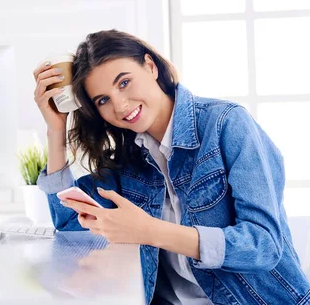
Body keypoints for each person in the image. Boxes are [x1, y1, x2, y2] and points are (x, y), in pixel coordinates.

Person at [33, 30, 310, 304]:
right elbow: (72, 225)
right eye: (103, 100)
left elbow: (264, 245)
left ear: (151, 66)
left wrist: (150, 231)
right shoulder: (128, 162)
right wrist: (56, 129)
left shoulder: (226, 124)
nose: (119, 105)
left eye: (124, 82)